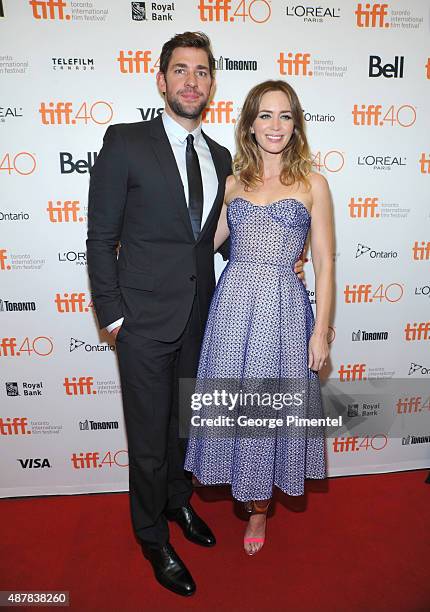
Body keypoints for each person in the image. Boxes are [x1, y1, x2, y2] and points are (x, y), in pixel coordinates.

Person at [87, 32, 307, 595]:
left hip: (207, 320)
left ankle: (181, 505)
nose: (192, 81)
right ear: (161, 80)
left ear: (212, 83)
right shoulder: (125, 141)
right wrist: (112, 315)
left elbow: (222, 239)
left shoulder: (221, 158)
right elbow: (100, 236)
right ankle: (152, 535)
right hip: (141, 320)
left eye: (202, 72)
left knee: (186, 428)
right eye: (180, 70)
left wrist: (278, 262)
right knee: (148, 439)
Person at [185, 80, 334, 556]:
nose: (275, 125)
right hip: (232, 312)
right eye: (265, 115)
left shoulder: (314, 183)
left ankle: (258, 512)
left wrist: (322, 330)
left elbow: (327, 263)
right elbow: (203, 246)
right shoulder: (232, 184)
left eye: (285, 115)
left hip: (286, 314)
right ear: (250, 123)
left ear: (296, 124)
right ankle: (247, 493)